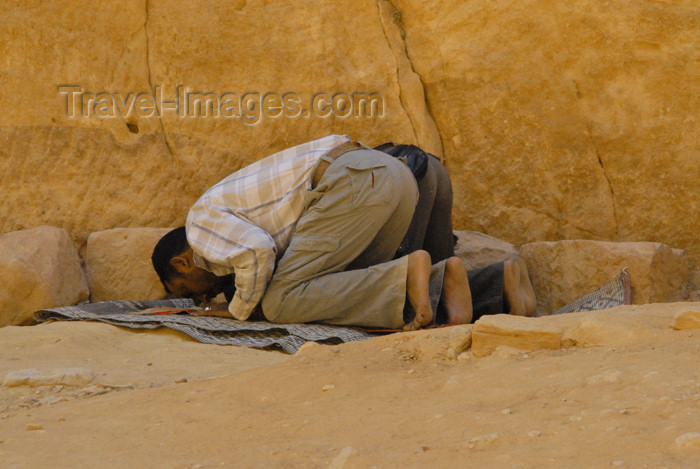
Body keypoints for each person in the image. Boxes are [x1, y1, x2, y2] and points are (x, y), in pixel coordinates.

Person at [151, 135, 534, 330]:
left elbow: (255, 253)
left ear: (182, 261)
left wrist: (235, 313)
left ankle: (406, 276)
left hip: (356, 180)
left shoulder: (200, 224)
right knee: (340, 287)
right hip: (386, 176)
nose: (204, 296)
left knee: (280, 301)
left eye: (190, 290)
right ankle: (497, 286)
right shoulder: (227, 212)